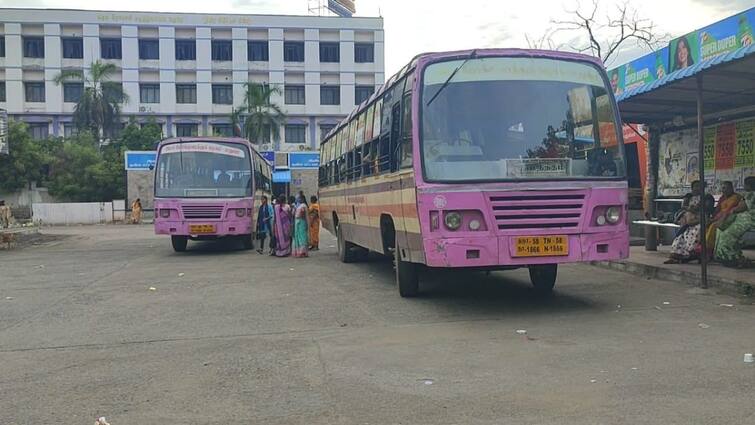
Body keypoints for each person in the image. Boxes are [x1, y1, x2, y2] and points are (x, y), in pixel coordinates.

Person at [665, 180, 714, 264]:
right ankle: (676, 256)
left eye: (699, 186)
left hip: (701, 219)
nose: (697, 188)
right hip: (688, 221)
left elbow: (708, 209)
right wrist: (689, 210)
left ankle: (689, 254)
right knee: (681, 236)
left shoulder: (707, 197)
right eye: (695, 186)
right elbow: (683, 207)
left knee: (695, 232)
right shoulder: (689, 197)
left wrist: (696, 210)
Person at [714, 176, 755, 267]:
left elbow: (742, 207)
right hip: (745, 218)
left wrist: (732, 211)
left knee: (727, 233)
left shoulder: (750, 194)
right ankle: (730, 256)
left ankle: (730, 257)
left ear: (748, 185)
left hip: (750, 219)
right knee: (721, 228)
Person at [704, 181, 742, 258]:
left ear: (731, 188)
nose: (724, 190)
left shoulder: (736, 197)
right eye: (723, 188)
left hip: (729, 218)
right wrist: (711, 218)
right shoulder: (722, 198)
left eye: (726, 188)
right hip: (718, 217)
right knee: (705, 226)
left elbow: (727, 211)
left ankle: (710, 251)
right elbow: (717, 209)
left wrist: (713, 220)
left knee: (713, 226)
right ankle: (703, 250)